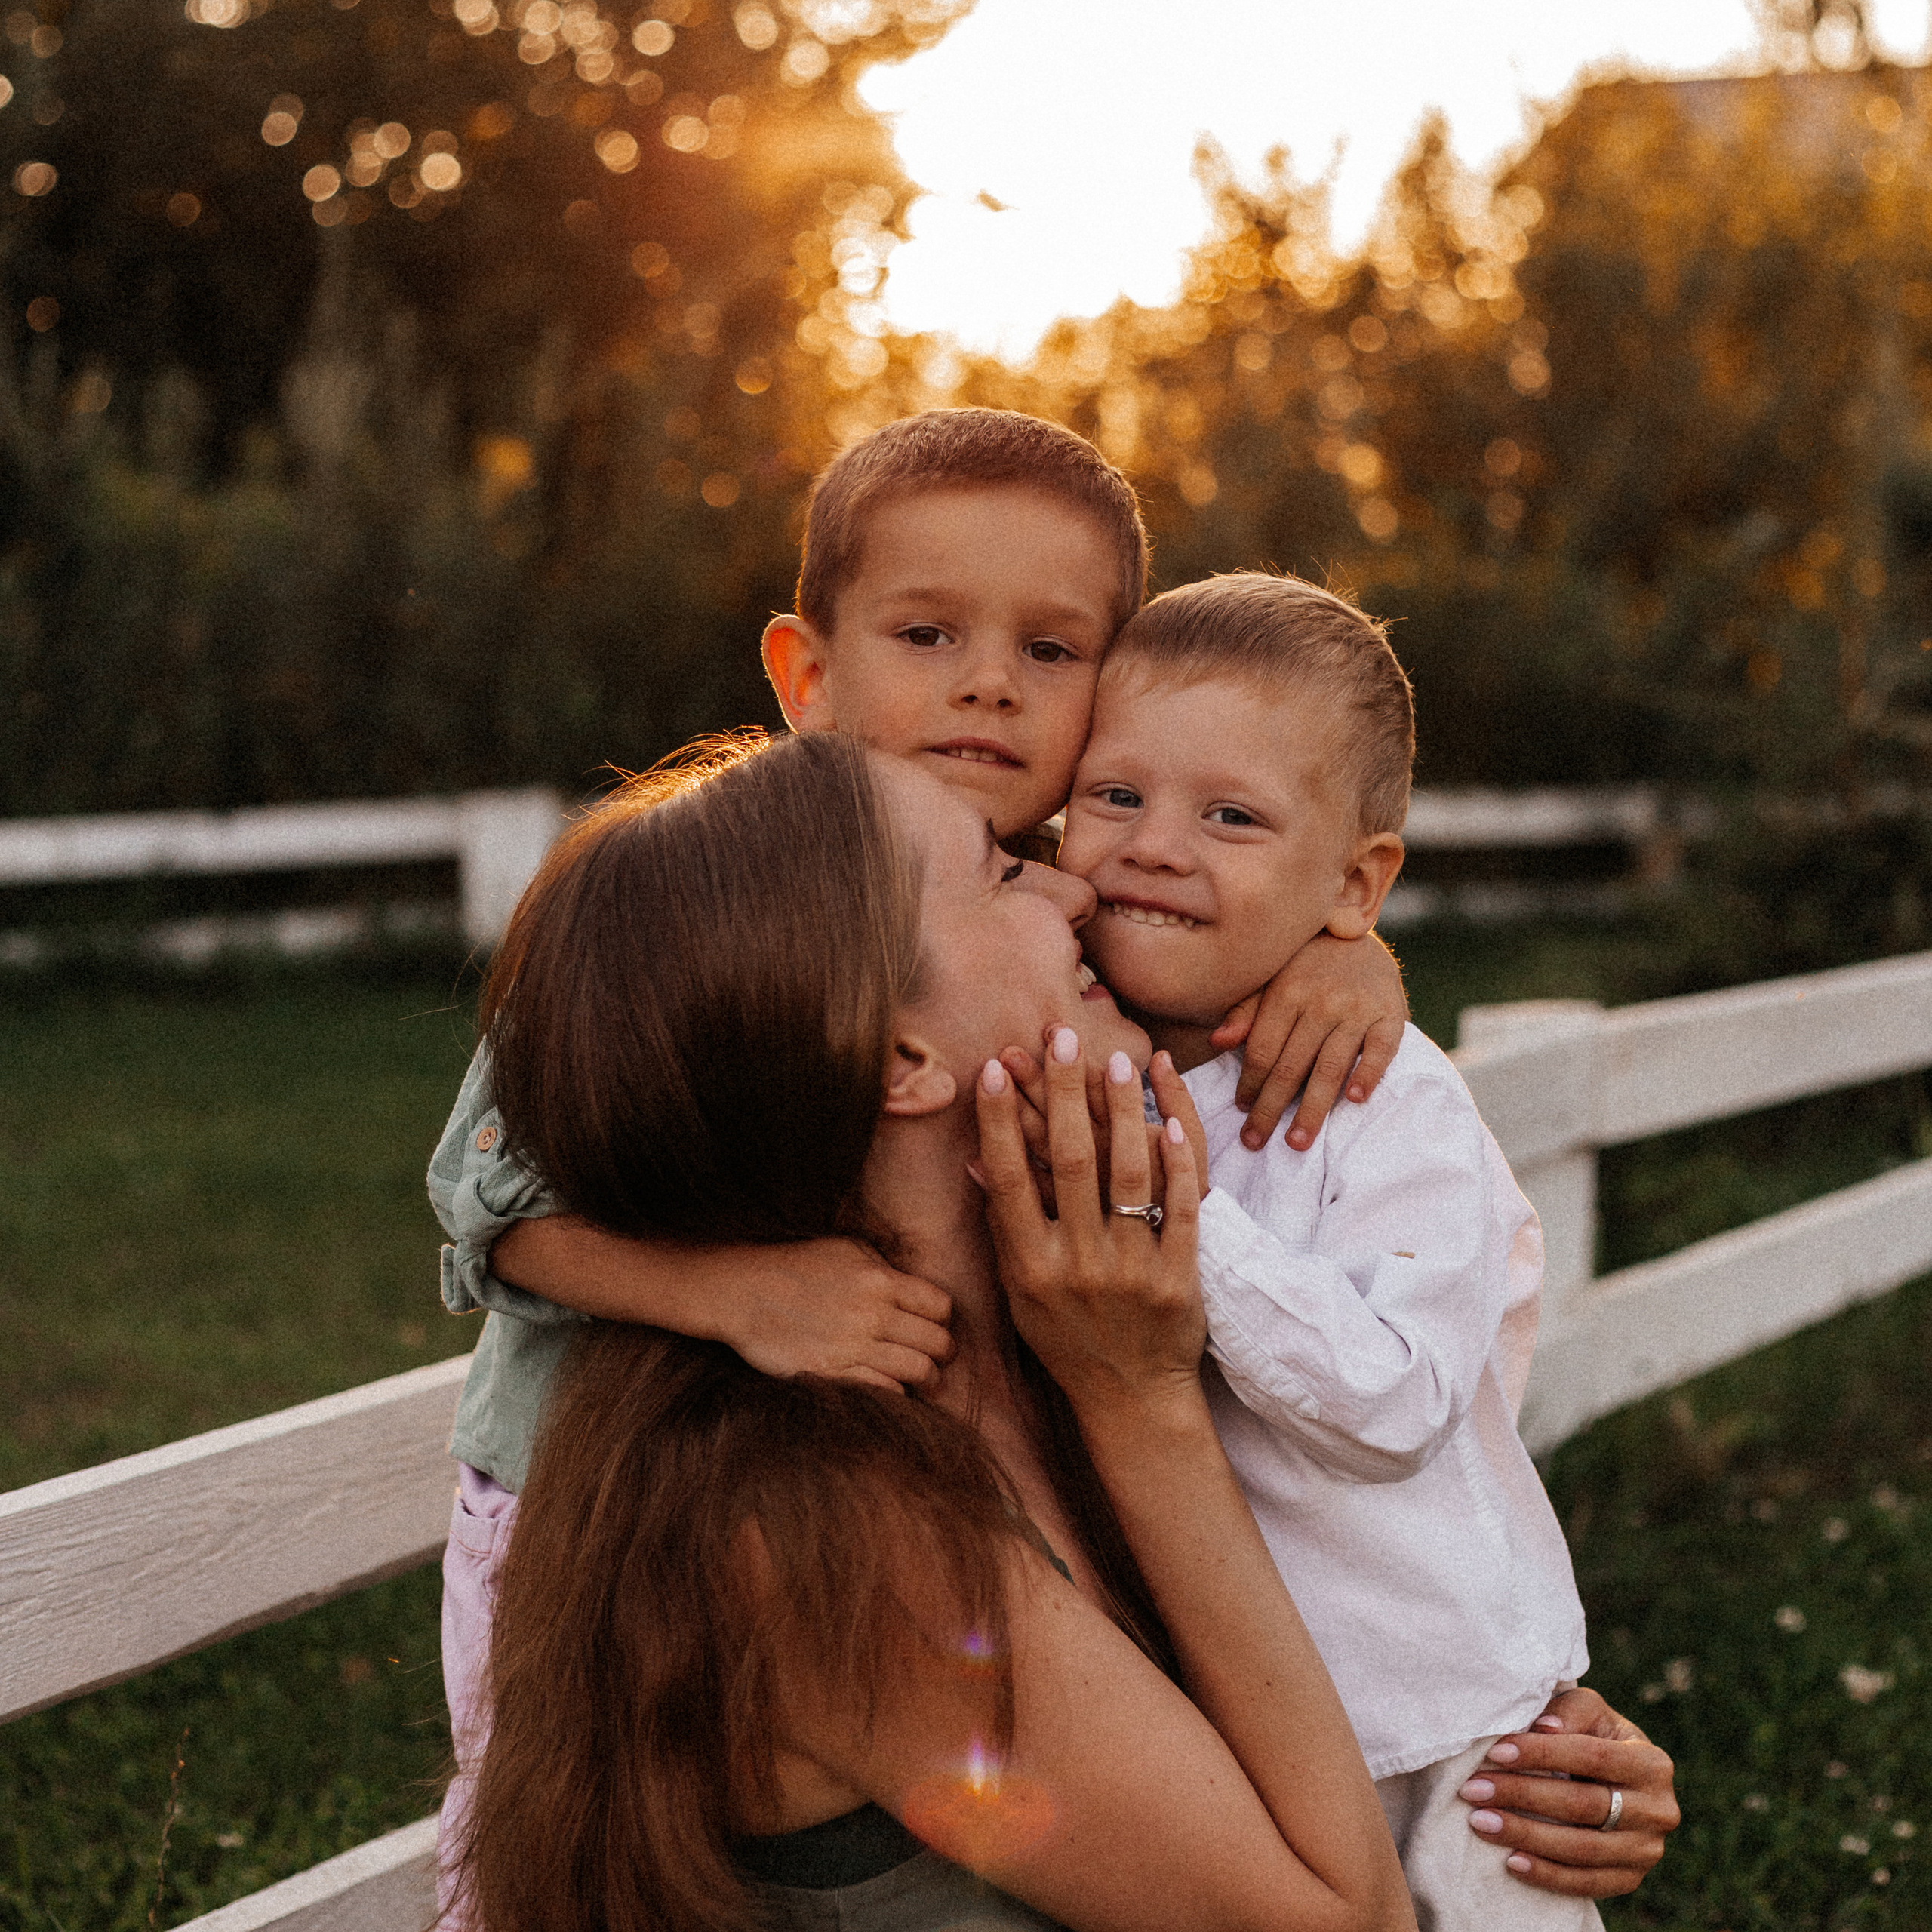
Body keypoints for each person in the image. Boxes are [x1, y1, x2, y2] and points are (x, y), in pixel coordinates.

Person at [427, 411, 1410, 1894]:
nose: (988, 686)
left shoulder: (1045, 1262)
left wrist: (1344, 947)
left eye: (1051, 652)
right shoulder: (695, 949)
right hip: (572, 1489)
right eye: (930, 632)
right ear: (805, 675)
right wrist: (730, 1293)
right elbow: (477, 1203)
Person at [983, 570, 1664, 1925]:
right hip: (1222, 1716)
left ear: (1356, 884)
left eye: (1231, 817)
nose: (1154, 846)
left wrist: (1176, 1215)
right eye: (1115, 797)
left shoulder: (1382, 1099)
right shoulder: (1057, 1032)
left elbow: (1397, 1401)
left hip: (1450, 1726)